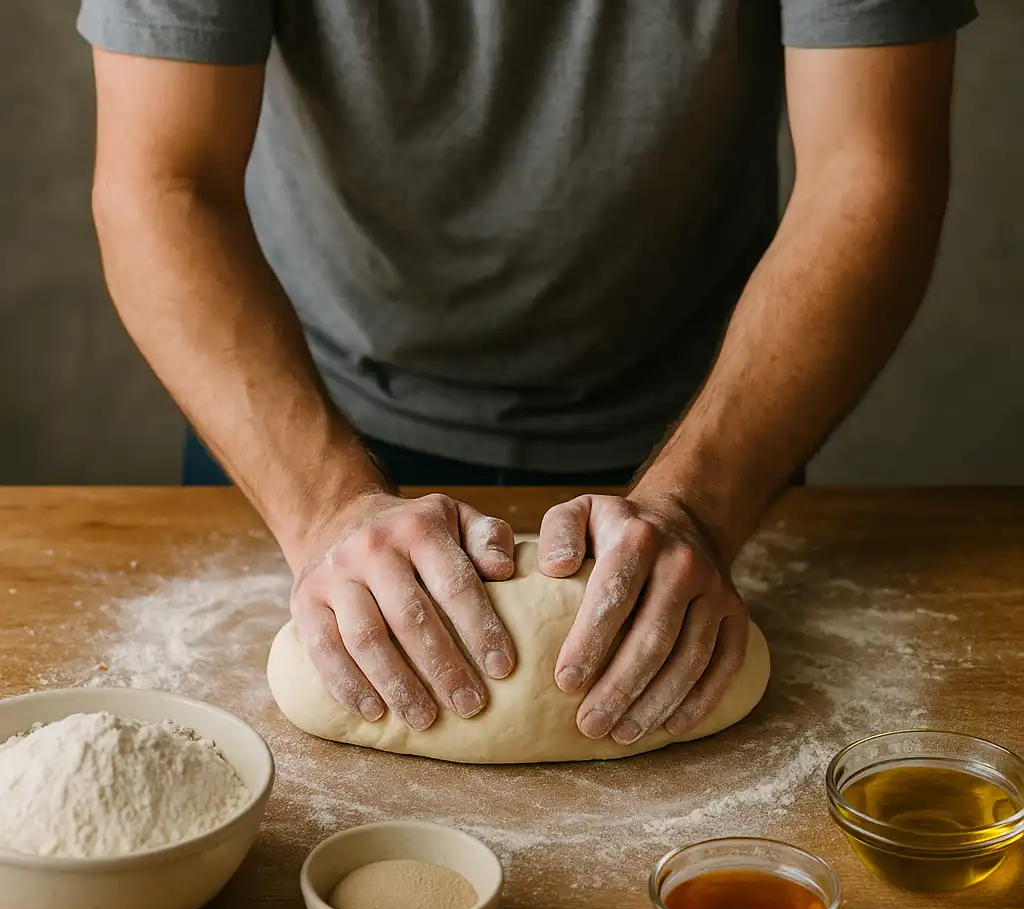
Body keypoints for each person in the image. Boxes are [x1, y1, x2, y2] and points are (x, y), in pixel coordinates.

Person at [78, 1, 976, 747]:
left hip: (706, 424)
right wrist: (322, 510)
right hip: (299, 417)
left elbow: (868, 170)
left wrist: (696, 509)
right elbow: (163, 183)